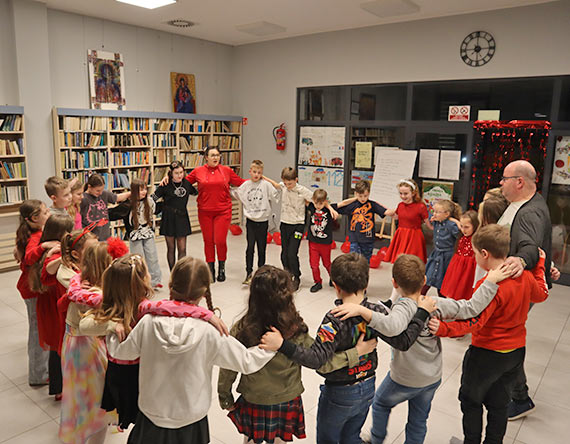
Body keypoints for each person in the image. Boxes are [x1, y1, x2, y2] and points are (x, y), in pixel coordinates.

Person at [331, 253, 509, 444]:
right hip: (431, 377)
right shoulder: (435, 303)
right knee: (418, 420)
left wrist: (362, 311)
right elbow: (471, 307)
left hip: (404, 378)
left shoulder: (401, 308)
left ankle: (376, 439)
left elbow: (391, 326)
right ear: (424, 280)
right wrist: (490, 282)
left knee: (380, 403)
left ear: (394, 283)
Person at [260, 253, 433, 444]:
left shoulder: (334, 320)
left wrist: (282, 345)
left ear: (335, 286)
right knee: (351, 437)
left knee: (328, 440)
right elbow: (403, 342)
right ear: (366, 284)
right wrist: (422, 312)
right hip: (368, 386)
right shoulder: (377, 313)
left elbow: (316, 360)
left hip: (339, 393)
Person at [105, 256, 275, 444]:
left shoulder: (148, 322)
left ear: (171, 285)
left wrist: (112, 330)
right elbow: (246, 362)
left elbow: (121, 352)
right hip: (191, 419)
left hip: (152, 415)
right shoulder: (210, 331)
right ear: (203, 293)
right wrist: (272, 347)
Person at [217, 265, 376, 444]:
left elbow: (229, 365)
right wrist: (356, 353)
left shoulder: (241, 328)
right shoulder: (295, 329)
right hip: (287, 400)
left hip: (254, 398)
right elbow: (321, 361)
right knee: (279, 439)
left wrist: (225, 396)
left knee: (252, 437)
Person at [429, 224, 548, 444]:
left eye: (475, 253)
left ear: (484, 254)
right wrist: (539, 267)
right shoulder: (524, 276)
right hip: (515, 354)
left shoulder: (489, 284)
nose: (475, 257)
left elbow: (474, 321)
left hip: (486, 355)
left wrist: (444, 328)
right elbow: (541, 294)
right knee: (499, 404)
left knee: (470, 400)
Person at [497, 160, 553, 420]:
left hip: (518, 288)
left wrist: (519, 260)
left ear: (519, 182)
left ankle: (520, 398)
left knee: (507, 339)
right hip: (516, 285)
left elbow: (530, 248)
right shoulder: (525, 204)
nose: (501, 182)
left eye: (505, 178)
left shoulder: (529, 212)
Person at [160, 147, 245, 282]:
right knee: (208, 241)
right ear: (206, 157)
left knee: (220, 240)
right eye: (212, 155)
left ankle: (221, 267)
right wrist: (167, 177)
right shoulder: (198, 171)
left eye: (217, 155)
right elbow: (180, 180)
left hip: (223, 211)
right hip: (204, 211)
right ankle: (210, 269)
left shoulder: (226, 171)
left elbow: (242, 183)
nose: (215, 158)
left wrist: (260, 179)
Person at [59, 240, 110, 444]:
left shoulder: (82, 282)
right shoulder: (92, 292)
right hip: (85, 349)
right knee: (94, 404)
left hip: (80, 346)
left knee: (84, 402)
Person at [29, 213, 74, 400]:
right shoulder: (53, 252)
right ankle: (60, 387)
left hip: (55, 304)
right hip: (53, 306)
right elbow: (48, 270)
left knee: (59, 346)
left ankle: (60, 386)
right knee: (58, 346)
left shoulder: (53, 249)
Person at [15, 200, 52, 386]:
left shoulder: (32, 231)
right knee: (37, 331)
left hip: (32, 287)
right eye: (45, 212)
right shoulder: (35, 236)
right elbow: (29, 257)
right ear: (35, 218)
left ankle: (41, 371)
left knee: (38, 329)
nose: (49, 213)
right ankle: (38, 375)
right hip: (31, 289)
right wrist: (44, 247)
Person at [263, 167, 315, 291]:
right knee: (284, 254)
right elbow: (275, 184)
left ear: (296, 180)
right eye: (286, 183)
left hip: (298, 225)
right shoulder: (284, 186)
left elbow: (317, 199)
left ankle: (296, 276)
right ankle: (288, 274)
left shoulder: (302, 190)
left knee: (292, 253)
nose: (288, 186)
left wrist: (330, 208)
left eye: (290, 183)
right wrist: (262, 177)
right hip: (285, 224)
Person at [233, 160, 279, 285]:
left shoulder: (266, 185)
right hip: (251, 222)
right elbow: (236, 194)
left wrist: (269, 180)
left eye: (259, 172)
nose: (256, 175)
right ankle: (248, 273)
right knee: (250, 247)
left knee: (261, 248)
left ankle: (261, 273)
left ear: (262, 173)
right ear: (250, 172)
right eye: (254, 172)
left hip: (263, 221)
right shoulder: (246, 185)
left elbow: (277, 192)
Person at [153, 161, 197, 270]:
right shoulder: (165, 184)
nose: (179, 175)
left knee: (182, 249)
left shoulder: (186, 183)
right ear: (171, 173)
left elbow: (197, 191)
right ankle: (173, 273)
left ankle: (180, 273)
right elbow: (152, 198)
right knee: (171, 248)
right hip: (168, 218)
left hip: (182, 217)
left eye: (181, 172)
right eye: (176, 173)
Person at [333, 180, 387, 263]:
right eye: (360, 196)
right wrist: (354, 199)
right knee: (354, 262)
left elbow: (386, 212)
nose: (363, 198)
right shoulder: (352, 205)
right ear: (356, 193)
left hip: (368, 239)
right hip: (355, 239)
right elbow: (335, 206)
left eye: (365, 196)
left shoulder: (372, 205)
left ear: (369, 193)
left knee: (365, 263)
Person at [383, 179, 431, 264]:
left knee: (412, 261)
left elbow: (428, 223)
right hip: (401, 235)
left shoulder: (420, 206)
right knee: (400, 261)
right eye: (400, 193)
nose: (402, 196)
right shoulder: (400, 205)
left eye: (405, 194)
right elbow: (397, 217)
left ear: (413, 193)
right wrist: (384, 210)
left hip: (414, 236)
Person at [421, 200, 461, 296]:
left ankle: (442, 301)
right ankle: (420, 297)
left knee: (442, 281)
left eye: (438, 212)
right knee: (428, 277)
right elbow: (429, 215)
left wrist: (454, 220)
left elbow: (460, 234)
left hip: (447, 256)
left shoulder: (451, 225)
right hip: (436, 253)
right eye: (434, 211)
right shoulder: (436, 221)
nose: (434, 214)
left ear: (447, 214)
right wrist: (433, 214)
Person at [127, 178, 162, 288]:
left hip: (147, 231)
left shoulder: (149, 201)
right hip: (135, 234)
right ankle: (139, 281)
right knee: (138, 258)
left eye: (145, 189)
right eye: (140, 190)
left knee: (152, 256)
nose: (144, 192)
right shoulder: (128, 204)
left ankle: (155, 281)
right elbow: (115, 213)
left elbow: (157, 208)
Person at [440, 210, 480, 300]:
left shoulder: (476, 239)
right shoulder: (462, 237)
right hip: (457, 267)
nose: (463, 229)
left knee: (464, 291)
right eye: (461, 226)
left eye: (466, 227)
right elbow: (458, 222)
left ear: (475, 226)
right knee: (453, 290)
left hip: (469, 269)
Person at [80, 173, 130, 241]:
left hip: (105, 236)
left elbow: (117, 197)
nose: (100, 193)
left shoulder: (104, 194)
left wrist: (131, 193)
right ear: (89, 187)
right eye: (97, 191)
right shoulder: (83, 198)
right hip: (90, 238)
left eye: (102, 190)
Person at [306, 189, 335, 292]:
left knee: (327, 263)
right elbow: (303, 195)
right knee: (313, 264)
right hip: (313, 242)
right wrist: (314, 201)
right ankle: (317, 282)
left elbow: (343, 203)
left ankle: (333, 278)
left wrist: (328, 206)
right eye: (316, 203)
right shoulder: (311, 206)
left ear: (325, 202)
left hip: (325, 243)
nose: (318, 206)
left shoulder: (328, 210)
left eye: (321, 203)